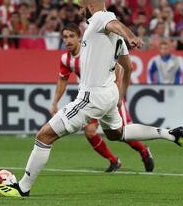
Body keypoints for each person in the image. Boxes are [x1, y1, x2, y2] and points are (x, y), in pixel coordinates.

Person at [0, 0, 183, 198]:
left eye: (81, 8)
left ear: (91, 6)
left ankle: (22, 188)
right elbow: (128, 67)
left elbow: (115, 24)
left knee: (44, 136)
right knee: (118, 133)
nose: (80, 12)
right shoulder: (110, 34)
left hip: (91, 97)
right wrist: (120, 94)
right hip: (109, 93)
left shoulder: (100, 18)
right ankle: (170, 134)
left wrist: (132, 36)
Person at [50, 23, 154, 172]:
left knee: (121, 133)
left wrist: (118, 91)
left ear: (79, 37)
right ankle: (114, 161)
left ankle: (144, 151)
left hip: (109, 94)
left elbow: (118, 66)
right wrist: (54, 103)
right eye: (65, 37)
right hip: (92, 98)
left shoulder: (90, 52)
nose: (68, 40)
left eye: (72, 36)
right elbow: (62, 80)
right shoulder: (66, 59)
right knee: (90, 132)